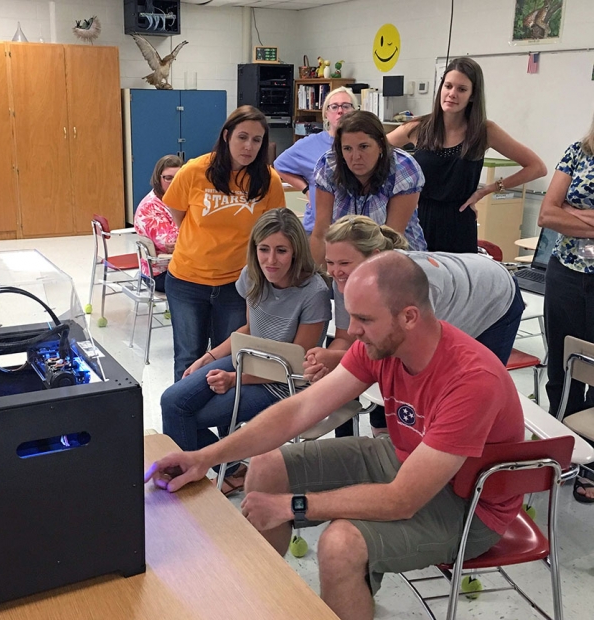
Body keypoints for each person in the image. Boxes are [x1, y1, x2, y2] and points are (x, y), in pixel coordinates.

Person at [146, 251, 525, 620]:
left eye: (363, 318)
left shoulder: (472, 380)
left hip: (469, 506)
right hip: (406, 458)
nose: (353, 331)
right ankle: (264, 602)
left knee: (340, 544)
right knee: (267, 467)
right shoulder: (380, 344)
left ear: (409, 317)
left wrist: (292, 506)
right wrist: (205, 458)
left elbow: (402, 501)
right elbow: (299, 410)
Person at [304, 215, 524, 437]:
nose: (335, 271)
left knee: (470, 391)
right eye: (330, 262)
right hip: (464, 280)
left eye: (344, 263)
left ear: (374, 258)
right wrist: (327, 359)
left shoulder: (416, 286)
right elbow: (348, 338)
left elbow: (413, 356)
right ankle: (387, 440)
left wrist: (339, 361)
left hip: (495, 297)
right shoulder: (349, 280)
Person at [160, 209, 330, 492]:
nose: (271, 260)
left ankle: (199, 487)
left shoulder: (314, 292)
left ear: (296, 252)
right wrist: (208, 357)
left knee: (187, 416)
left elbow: (296, 363)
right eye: (264, 249)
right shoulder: (252, 276)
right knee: (172, 401)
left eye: (281, 251)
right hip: (248, 362)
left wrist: (234, 379)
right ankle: (231, 471)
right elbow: (250, 330)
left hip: (284, 382)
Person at [163, 106, 286, 381]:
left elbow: (272, 232)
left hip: (237, 285)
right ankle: (185, 424)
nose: (248, 146)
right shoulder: (194, 171)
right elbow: (179, 216)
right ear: (227, 135)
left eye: (257, 140)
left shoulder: (269, 180)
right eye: (242, 137)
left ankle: (226, 423)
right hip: (187, 281)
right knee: (187, 357)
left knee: (229, 359)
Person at [387, 57, 546, 253]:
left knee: (457, 282)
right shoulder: (419, 127)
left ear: (472, 95)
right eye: (448, 86)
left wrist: (488, 189)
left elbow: (537, 167)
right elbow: (374, 148)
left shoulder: (484, 131)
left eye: (461, 89)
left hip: (459, 222)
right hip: (418, 220)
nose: (452, 94)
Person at [537, 114, 594, 503]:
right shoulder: (579, 153)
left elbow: (561, 213)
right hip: (569, 274)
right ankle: (564, 454)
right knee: (562, 365)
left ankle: (591, 463)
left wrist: (575, 218)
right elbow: (547, 214)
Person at [310, 110, 426, 266]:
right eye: (347, 149)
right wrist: (320, 279)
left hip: (399, 257)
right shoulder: (329, 166)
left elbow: (391, 239)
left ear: (380, 145)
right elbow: (321, 233)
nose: (356, 157)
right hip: (344, 261)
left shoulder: (402, 167)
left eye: (363, 147)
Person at [274, 87, 359, 234]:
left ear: (355, 111)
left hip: (354, 228)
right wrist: (306, 189)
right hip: (317, 228)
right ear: (326, 113)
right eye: (334, 107)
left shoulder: (363, 144)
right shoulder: (310, 144)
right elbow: (279, 165)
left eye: (346, 106)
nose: (340, 111)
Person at [132, 154, 183, 292]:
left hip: (179, 266)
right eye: (168, 178)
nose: (174, 182)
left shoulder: (177, 200)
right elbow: (170, 244)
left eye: (178, 178)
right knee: (211, 286)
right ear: (158, 178)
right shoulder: (150, 207)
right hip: (160, 274)